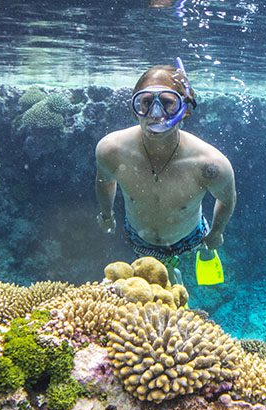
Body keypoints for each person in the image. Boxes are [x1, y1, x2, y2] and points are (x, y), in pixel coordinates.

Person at [95, 58, 236, 282]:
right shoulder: (111, 150)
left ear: (185, 110)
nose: (155, 114)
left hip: (192, 235)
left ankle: (207, 253)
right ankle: (173, 274)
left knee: (207, 246)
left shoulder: (210, 164)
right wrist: (106, 214)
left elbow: (227, 199)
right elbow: (104, 181)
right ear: (135, 109)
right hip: (139, 238)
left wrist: (217, 232)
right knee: (161, 278)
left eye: (168, 103)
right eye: (146, 102)